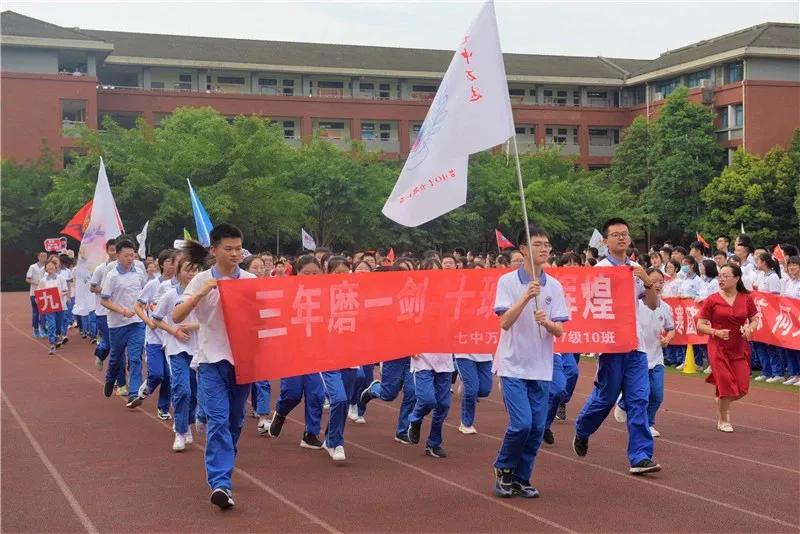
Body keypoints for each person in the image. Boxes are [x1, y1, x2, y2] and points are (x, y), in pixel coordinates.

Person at [172, 224, 256, 510]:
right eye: (228, 249)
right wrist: (200, 294)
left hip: (243, 361)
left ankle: (225, 463)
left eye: (238, 249)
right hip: (211, 360)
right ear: (214, 250)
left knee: (235, 421)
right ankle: (221, 483)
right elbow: (177, 315)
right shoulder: (201, 280)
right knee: (218, 421)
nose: (235, 254)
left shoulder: (250, 280)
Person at [573, 218, 662, 475]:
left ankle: (640, 456)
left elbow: (653, 304)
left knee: (639, 400)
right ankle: (583, 429)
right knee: (606, 398)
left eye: (625, 234)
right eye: (616, 234)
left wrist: (647, 281)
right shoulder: (599, 270)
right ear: (605, 241)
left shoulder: (636, 269)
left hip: (636, 346)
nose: (621, 238)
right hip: (611, 347)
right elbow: (587, 304)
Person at [493, 225, 569, 498]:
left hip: (541, 366)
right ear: (523, 249)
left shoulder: (555, 286)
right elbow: (504, 322)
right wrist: (526, 296)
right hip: (512, 364)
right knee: (522, 423)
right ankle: (504, 468)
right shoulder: (507, 282)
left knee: (537, 428)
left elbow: (560, 330)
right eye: (538, 244)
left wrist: (547, 323)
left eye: (547, 244)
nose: (544, 249)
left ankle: (522, 478)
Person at [267, 256, 326, 452]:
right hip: (291, 351)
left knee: (316, 394)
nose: (310, 277)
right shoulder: (286, 292)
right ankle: (281, 413)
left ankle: (310, 434)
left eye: (315, 273)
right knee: (292, 393)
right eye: (306, 273)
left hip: (315, 353)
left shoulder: (327, 293)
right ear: (297, 273)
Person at [696, 264, 758, 432]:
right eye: (719, 276)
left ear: (736, 278)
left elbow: (755, 319)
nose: (721, 279)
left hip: (739, 347)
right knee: (725, 384)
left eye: (725, 276)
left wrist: (749, 328)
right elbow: (700, 325)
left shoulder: (746, 298)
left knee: (742, 388)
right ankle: (723, 419)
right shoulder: (712, 299)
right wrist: (715, 332)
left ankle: (722, 400)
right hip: (718, 347)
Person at [153, 248, 204, 451]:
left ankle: (187, 421)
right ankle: (181, 431)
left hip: (199, 349)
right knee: (182, 389)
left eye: (195, 270)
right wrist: (174, 331)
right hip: (176, 348)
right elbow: (156, 320)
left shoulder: (203, 295)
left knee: (195, 393)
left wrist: (194, 326)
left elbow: (212, 321)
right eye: (187, 270)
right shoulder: (169, 295)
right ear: (178, 272)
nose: (191, 274)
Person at [614, 268, 674, 437]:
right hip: (638, 355)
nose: (657, 285)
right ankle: (623, 403)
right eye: (653, 281)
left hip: (656, 357)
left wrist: (668, 338)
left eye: (660, 282)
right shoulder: (635, 304)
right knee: (641, 392)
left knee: (657, 394)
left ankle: (649, 422)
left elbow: (671, 328)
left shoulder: (665, 307)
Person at [100, 238, 148, 408]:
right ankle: (110, 378)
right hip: (117, 324)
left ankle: (134, 393)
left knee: (135, 358)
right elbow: (104, 300)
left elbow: (144, 293)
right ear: (118, 256)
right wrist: (121, 310)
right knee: (116, 358)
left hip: (137, 322)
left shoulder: (139, 272)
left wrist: (145, 306)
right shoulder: (112, 276)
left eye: (132, 255)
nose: (130, 258)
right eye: (126, 255)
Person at [131, 249, 177, 419]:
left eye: (176, 262)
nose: (174, 265)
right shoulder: (153, 285)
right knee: (158, 374)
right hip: (154, 338)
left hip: (172, 338)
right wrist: (149, 321)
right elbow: (138, 306)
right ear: (162, 264)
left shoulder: (180, 286)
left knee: (170, 376)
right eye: (170, 262)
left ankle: (163, 408)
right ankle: (147, 386)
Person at [240, 255, 272, 434]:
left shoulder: (271, 287)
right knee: (243, 379)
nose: (260, 271)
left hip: (263, 339)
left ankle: (263, 417)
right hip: (242, 341)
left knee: (262, 378)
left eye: (262, 267)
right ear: (246, 270)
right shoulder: (238, 289)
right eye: (255, 267)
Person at [752, 252, 784, 383]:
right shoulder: (761, 275)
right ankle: (766, 372)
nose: (756, 263)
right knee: (760, 344)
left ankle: (777, 373)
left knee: (770, 345)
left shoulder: (773, 277)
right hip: (760, 314)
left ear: (764, 262)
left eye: (758, 261)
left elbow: (775, 298)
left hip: (769, 315)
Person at [37, 259, 68, 354]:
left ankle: (58, 335)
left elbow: (66, 291)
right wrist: (38, 299)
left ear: (55, 267)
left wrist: (59, 294)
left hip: (60, 305)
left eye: (52, 265)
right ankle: (52, 344)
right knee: (51, 324)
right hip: (49, 306)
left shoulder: (60, 278)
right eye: (48, 266)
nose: (50, 267)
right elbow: (39, 291)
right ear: (45, 268)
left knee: (58, 324)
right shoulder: (43, 280)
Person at [781, 256, 800, 386]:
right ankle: (794, 374)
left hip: (799, 318)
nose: (791, 267)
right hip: (788, 319)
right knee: (789, 346)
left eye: (794, 265)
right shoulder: (788, 281)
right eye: (790, 265)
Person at [26, 251, 48, 337]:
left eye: (45, 256)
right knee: (36, 312)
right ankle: (35, 329)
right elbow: (27, 279)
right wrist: (37, 283)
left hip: (45, 293)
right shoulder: (33, 267)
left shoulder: (48, 267)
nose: (44, 258)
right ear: (38, 257)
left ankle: (43, 329)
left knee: (44, 312)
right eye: (42, 256)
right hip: (34, 293)